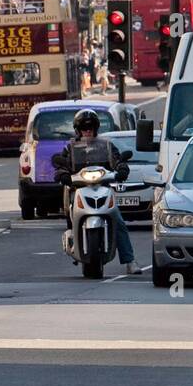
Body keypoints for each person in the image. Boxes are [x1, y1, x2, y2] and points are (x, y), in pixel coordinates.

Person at [51, 109, 142, 275]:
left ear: (96, 128)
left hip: (102, 188)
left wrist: (122, 168)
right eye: (84, 128)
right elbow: (60, 165)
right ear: (78, 129)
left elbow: (117, 160)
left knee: (119, 221)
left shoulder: (106, 145)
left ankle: (130, 261)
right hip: (78, 190)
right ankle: (74, 242)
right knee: (71, 217)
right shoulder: (70, 148)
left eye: (91, 127)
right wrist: (62, 173)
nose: (87, 130)